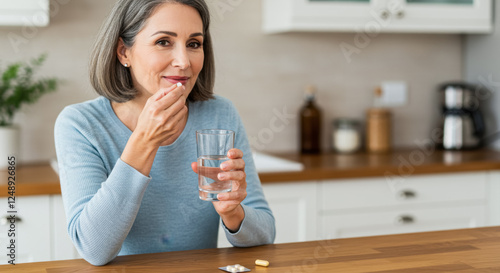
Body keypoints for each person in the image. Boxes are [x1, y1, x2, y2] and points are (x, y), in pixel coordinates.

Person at [54, 0, 275, 266]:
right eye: (163, 42)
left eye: (194, 44)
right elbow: (94, 249)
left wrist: (233, 213)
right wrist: (145, 141)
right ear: (124, 52)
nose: (183, 62)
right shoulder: (81, 124)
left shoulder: (219, 114)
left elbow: (266, 233)